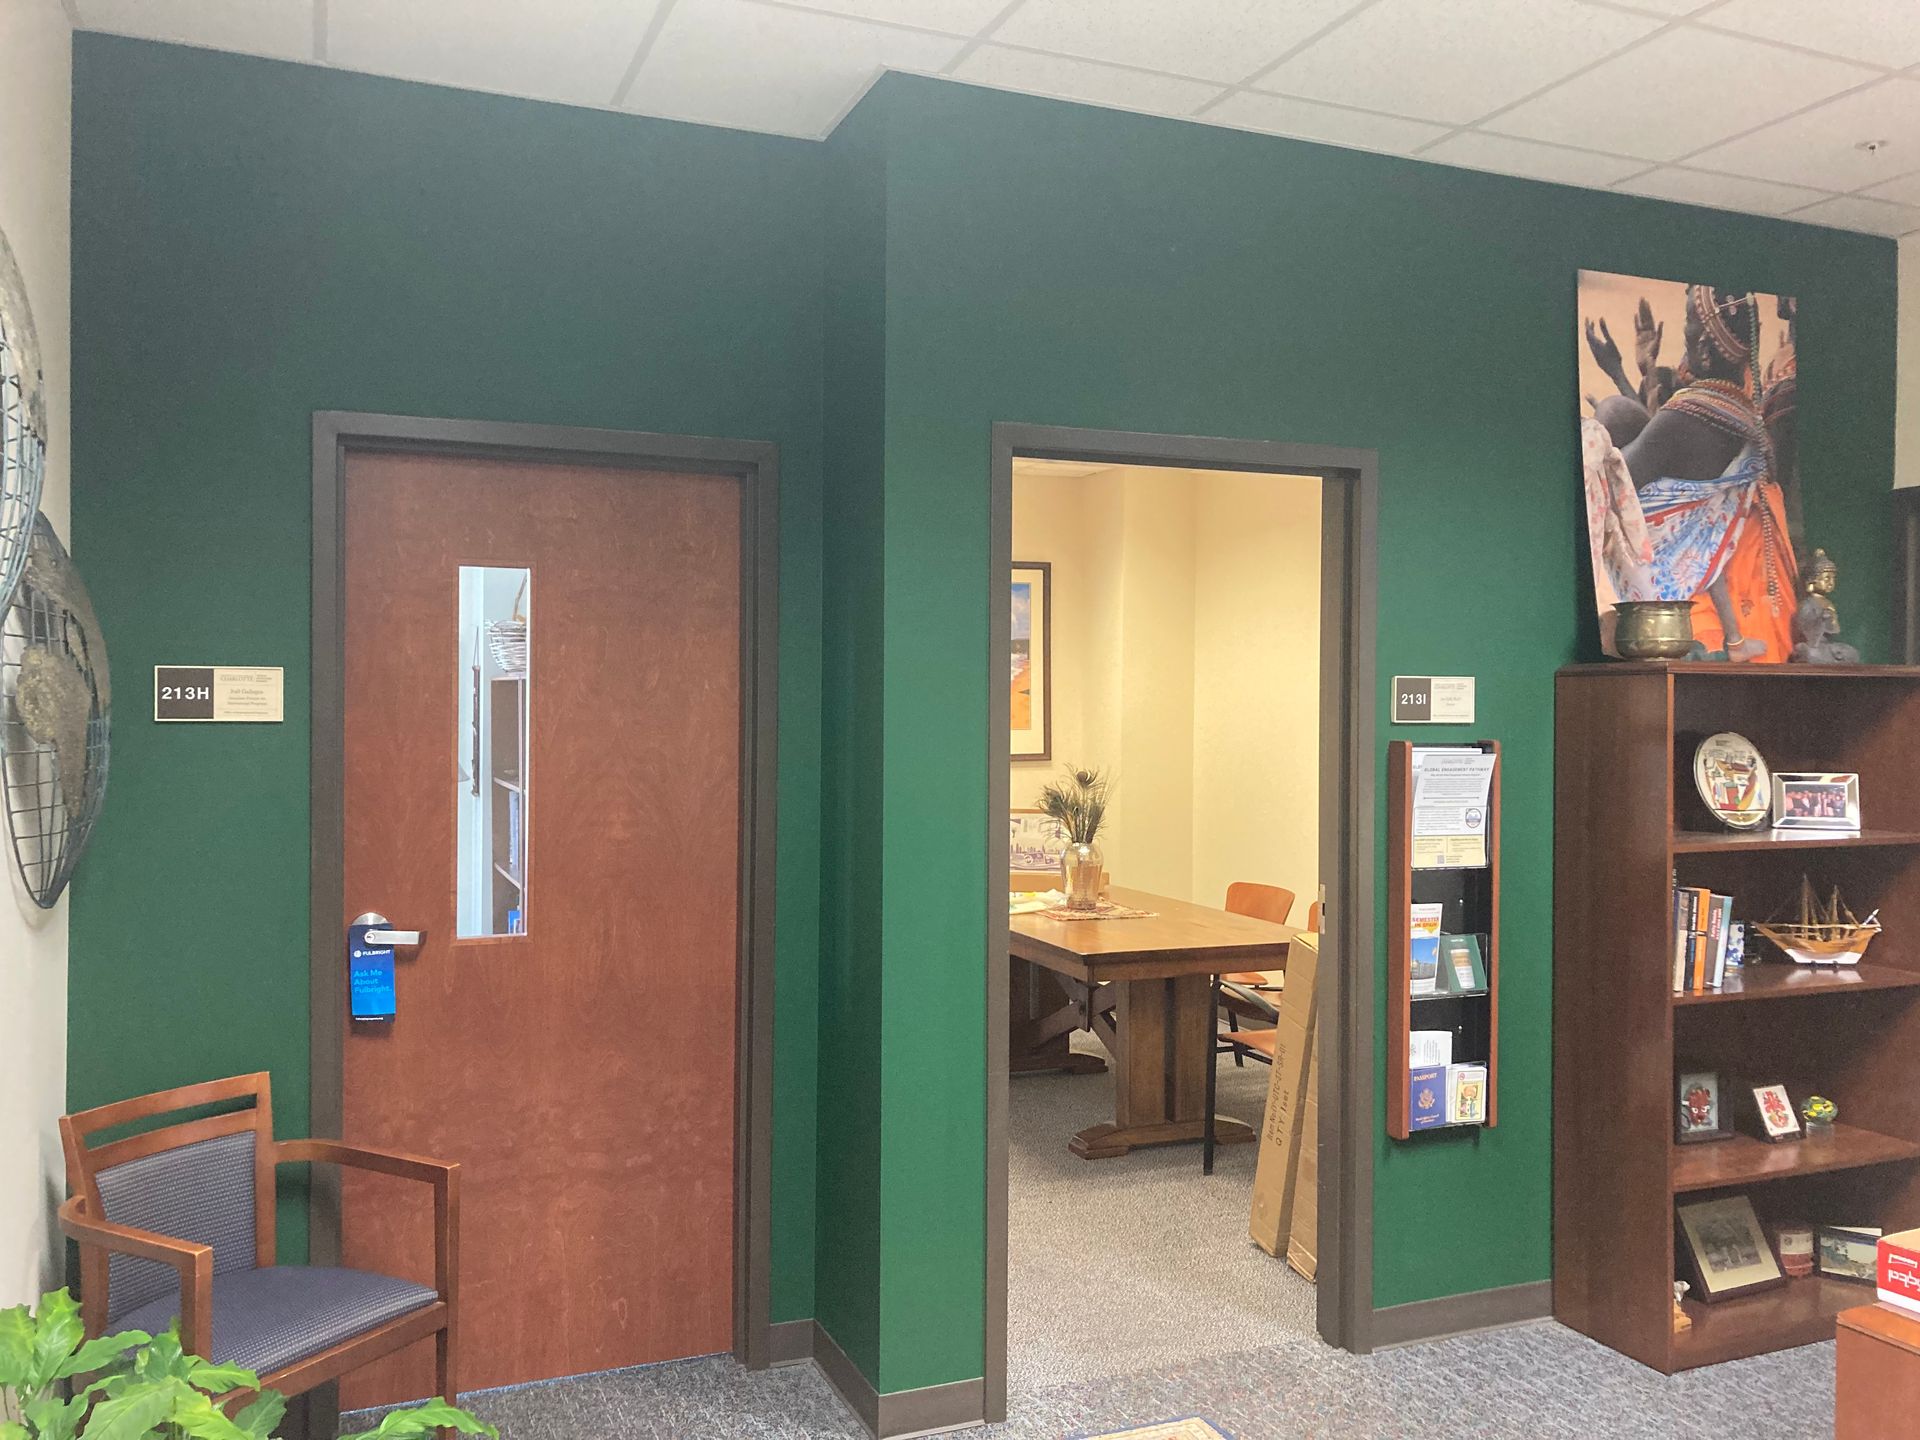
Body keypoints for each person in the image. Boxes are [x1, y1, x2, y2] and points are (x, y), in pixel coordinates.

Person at [1583, 285, 1799, 660]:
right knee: (1616, 412)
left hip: (1662, 567)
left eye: (1687, 330)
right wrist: (1619, 373)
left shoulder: (1685, 417)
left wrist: (1594, 434)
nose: (1683, 345)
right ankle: (1735, 641)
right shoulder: (1740, 415)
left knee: (1608, 418)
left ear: (1702, 349)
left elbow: (1619, 484)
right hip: (1706, 560)